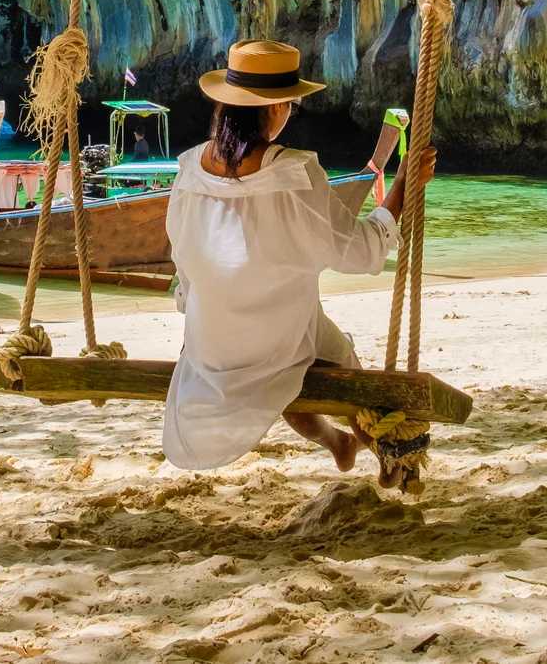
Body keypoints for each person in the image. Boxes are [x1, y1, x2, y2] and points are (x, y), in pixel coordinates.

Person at [163, 39, 434, 473]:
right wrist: (405, 185)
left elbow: (183, 258)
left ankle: (335, 443)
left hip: (210, 348)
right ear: (276, 108)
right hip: (279, 342)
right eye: (290, 105)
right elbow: (358, 252)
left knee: (297, 353)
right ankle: (385, 456)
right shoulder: (294, 172)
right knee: (336, 362)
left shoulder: (190, 169)